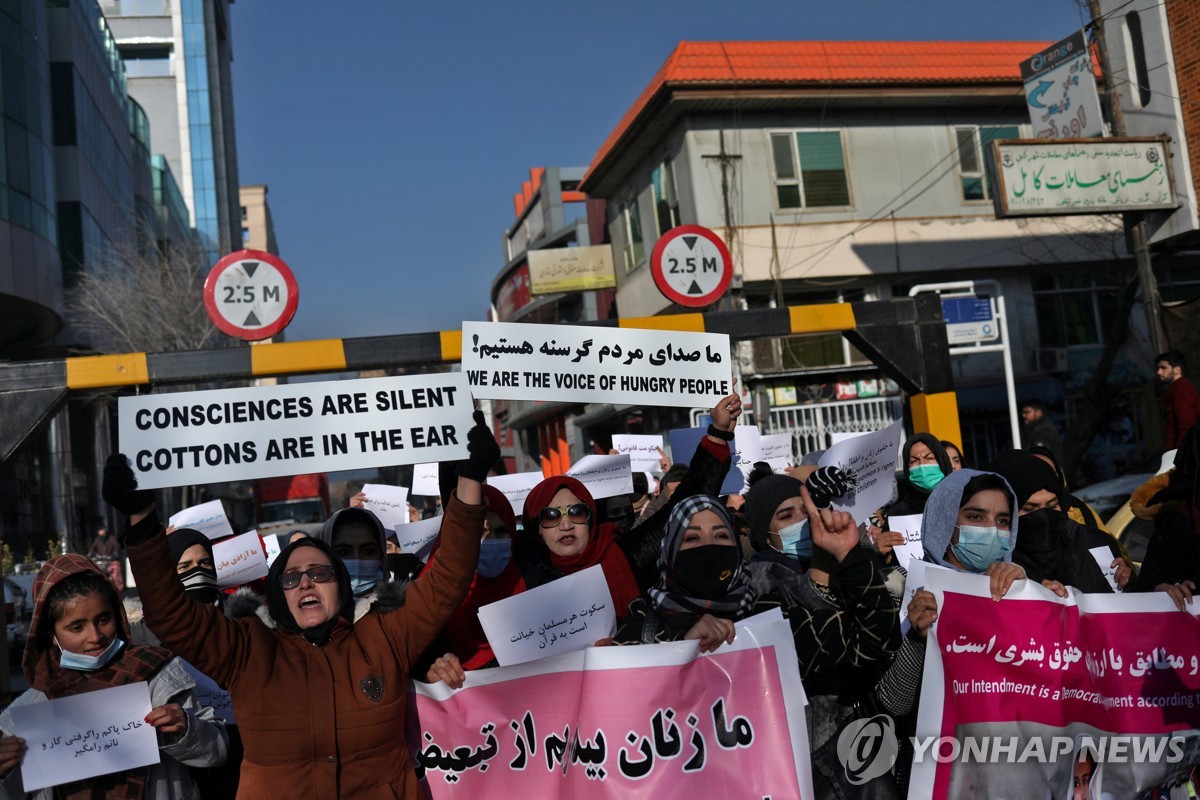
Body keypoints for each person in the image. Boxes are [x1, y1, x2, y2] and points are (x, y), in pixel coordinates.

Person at [105, 410, 499, 798]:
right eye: (291, 578)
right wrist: (141, 518)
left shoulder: (385, 634)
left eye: (320, 573)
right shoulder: (247, 650)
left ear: (340, 585)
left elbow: (448, 579)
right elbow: (170, 615)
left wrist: (470, 480)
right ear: (277, 595)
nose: (306, 582)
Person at [0, 555, 228, 799]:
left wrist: (185, 728)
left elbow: (217, 752)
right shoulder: (29, 711)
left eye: (103, 619)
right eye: (76, 627)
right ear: (51, 635)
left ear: (117, 616)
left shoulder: (158, 675)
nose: (95, 636)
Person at [611, 493, 899, 683]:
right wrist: (685, 650)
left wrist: (850, 556)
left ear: (736, 548)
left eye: (721, 535)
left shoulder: (770, 616)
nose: (709, 547)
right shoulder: (643, 625)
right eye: (692, 539)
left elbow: (876, 641)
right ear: (670, 552)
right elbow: (616, 709)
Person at [514, 394, 742, 597]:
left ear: (590, 519)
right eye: (551, 515)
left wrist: (718, 435)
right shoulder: (518, 580)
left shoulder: (625, 557)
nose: (566, 524)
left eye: (576, 512)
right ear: (536, 527)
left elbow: (684, 505)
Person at [422, 485, 526, 688]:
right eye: (480, 531)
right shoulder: (426, 601)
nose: (490, 541)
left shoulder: (535, 587)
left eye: (501, 531)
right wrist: (429, 668)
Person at [988, 449, 1129, 593]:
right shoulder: (996, 562)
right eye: (1030, 509)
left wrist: (1127, 580)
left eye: (1052, 505)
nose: (1044, 515)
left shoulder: (1096, 542)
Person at [884, 434, 953, 519]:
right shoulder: (897, 516)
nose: (922, 465)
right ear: (907, 468)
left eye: (929, 458)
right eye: (914, 461)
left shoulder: (964, 503)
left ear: (942, 461)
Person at [1155, 350, 1200, 450]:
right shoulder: (1177, 389)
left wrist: (1177, 455)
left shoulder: (1180, 390)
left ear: (1177, 370)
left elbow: (1186, 426)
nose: (1159, 372)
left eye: (1163, 368)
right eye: (1158, 368)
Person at [87, 525, 124, 592]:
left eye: (103, 532)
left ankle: (118, 588)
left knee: (115, 573)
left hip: (111, 560)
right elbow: (92, 548)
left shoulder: (111, 538)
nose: (101, 535)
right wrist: (90, 553)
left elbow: (117, 547)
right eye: (100, 533)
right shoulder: (97, 539)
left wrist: (114, 554)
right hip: (101, 560)